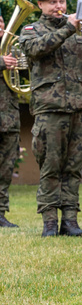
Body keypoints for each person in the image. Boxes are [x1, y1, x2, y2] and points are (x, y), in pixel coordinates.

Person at [19, 0, 82, 238]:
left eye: (62, 2)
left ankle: (70, 219)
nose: (59, 6)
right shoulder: (31, 30)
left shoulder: (80, 31)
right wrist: (69, 28)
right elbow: (35, 49)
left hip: (81, 106)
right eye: (53, 2)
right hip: (50, 108)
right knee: (51, 166)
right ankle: (49, 222)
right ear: (41, 5)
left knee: (74, 166)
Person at [0, 13, 21, 228]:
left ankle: (0, 213)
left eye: (1, 21)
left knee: (5, 169)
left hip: (9, 118)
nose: (0, 25)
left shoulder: (9, 48)